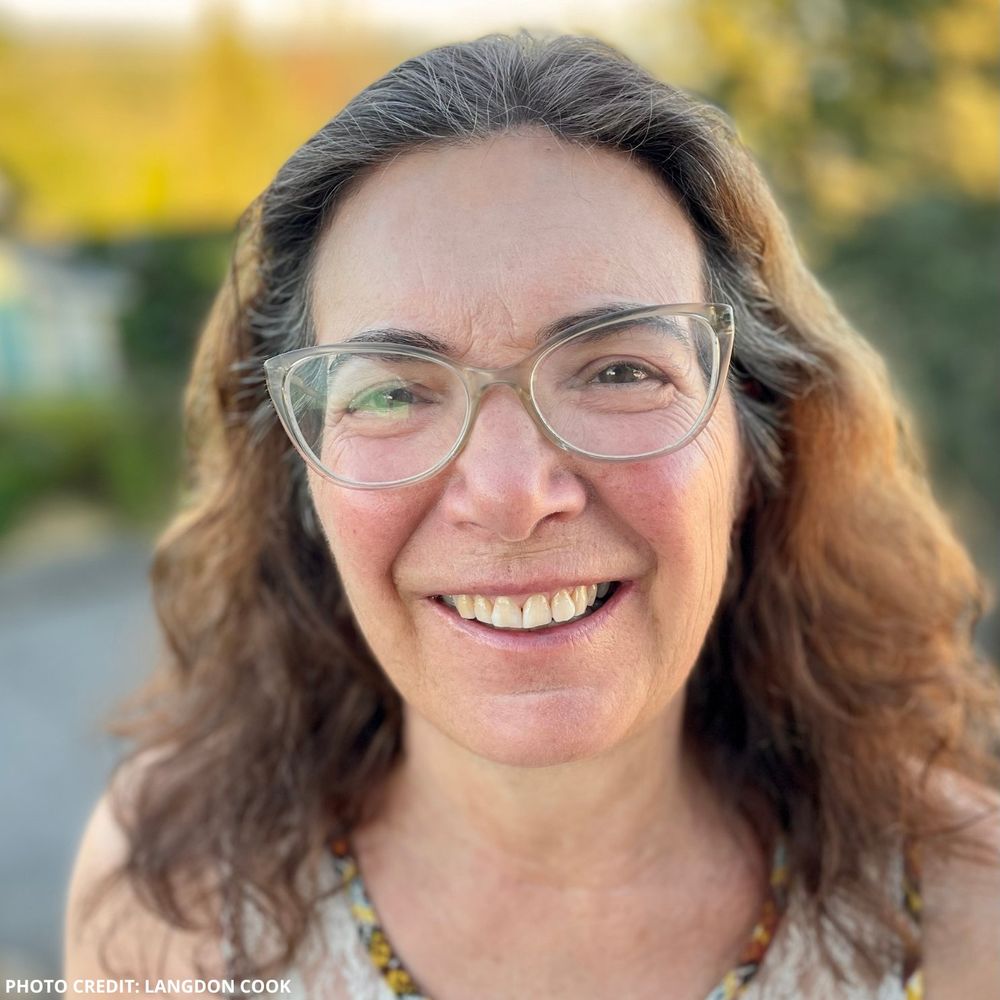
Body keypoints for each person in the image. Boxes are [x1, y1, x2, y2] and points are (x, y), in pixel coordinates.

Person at [64, 31, 1000, 1000]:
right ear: (300, 474)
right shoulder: (172, 895)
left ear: (759, 441)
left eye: (619, 370)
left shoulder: (969, 918)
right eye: (392, 392)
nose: (511, 495)